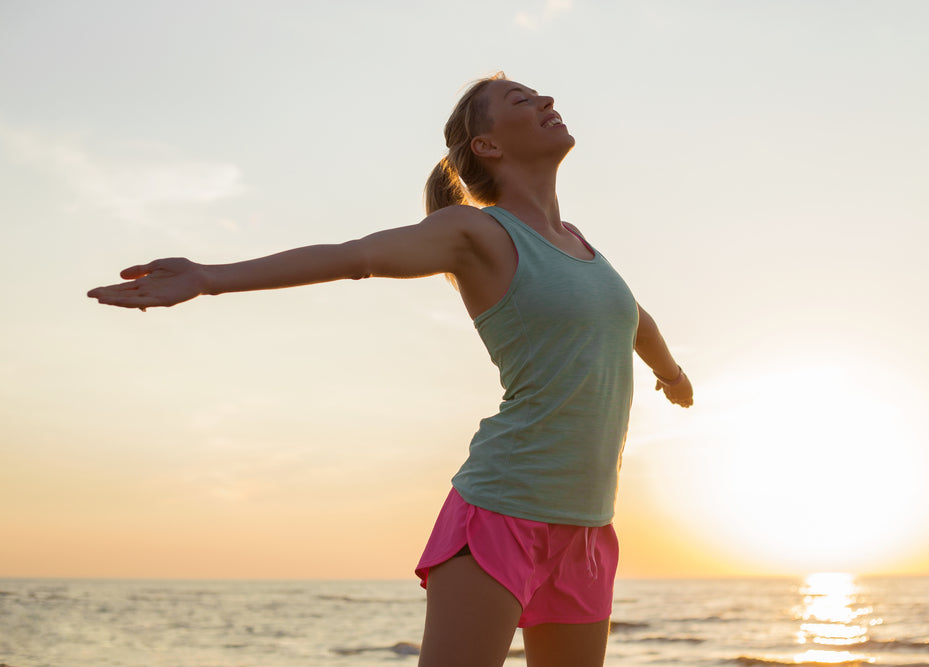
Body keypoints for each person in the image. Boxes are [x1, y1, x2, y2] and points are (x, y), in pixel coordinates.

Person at [88, 72, 693, 667]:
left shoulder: (578, 243)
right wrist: (209, 278)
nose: (547, 99)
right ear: (487, 145)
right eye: (521, 99)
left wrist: (670, 374)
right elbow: (355, 258)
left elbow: (632, 318)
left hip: (587, 527)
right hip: (504, 510)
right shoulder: (473, 231)